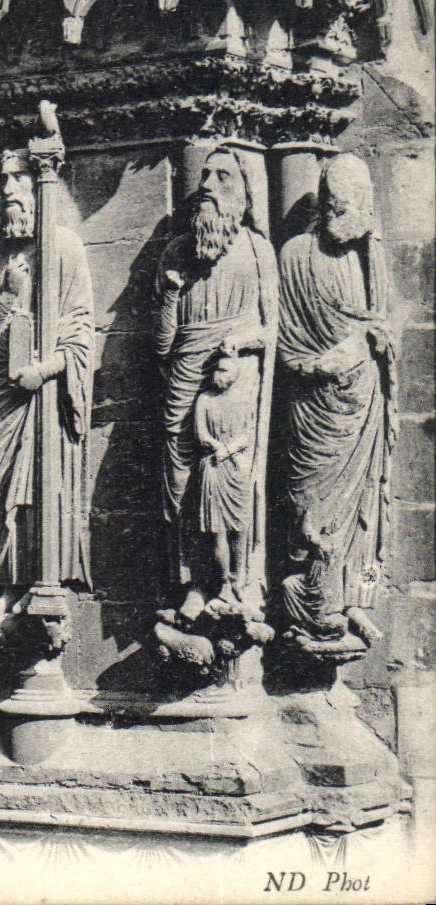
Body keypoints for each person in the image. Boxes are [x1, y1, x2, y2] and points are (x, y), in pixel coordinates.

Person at [277, 153, 396, 648]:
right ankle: (307, 601)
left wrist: (373, 339)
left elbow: (386, 327)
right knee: (310, 509)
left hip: (362, 402)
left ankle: (356, 600)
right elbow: (280, 339)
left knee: (365, 502)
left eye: (350, 209)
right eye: (333, 206)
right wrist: (315, 364)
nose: (339, 217)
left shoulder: (369, 256)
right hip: (312, 406)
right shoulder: (296, 255)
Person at [0, 151, 93, 628]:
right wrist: (8, 297)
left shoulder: (64, 248)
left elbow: (82, 333)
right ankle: (8, 586)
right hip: (1, 394)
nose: (8, 190)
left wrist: (46, 371)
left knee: (39, 490)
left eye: (18, 178)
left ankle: (40, 586)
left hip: (42, 396)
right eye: (3, 181)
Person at [155, 145, 276, 619]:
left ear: (243, 195)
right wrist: (169, 296)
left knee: (236, 480)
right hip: (184, 384)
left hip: (234, 384)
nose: (206, 186)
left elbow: (271, 328)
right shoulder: (178, 252)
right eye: (204, 177)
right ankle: (191, 581)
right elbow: (163, 347)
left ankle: (239, 578)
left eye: (222, 177)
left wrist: (240, 340)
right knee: (181, 482)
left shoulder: (257, 250)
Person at [192, 353, 256, 604]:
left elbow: (247, 434)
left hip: (235, 466)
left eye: (224, 371)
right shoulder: (205, 400)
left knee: (238, 527)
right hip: (213, 468)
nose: (217, 376)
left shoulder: (242, 400)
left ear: (235, 375)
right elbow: (201, 433)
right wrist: (216, 446)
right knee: (217, 530)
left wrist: (228, 450)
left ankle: (239, 578)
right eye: (216, 370)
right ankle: (224, 583)